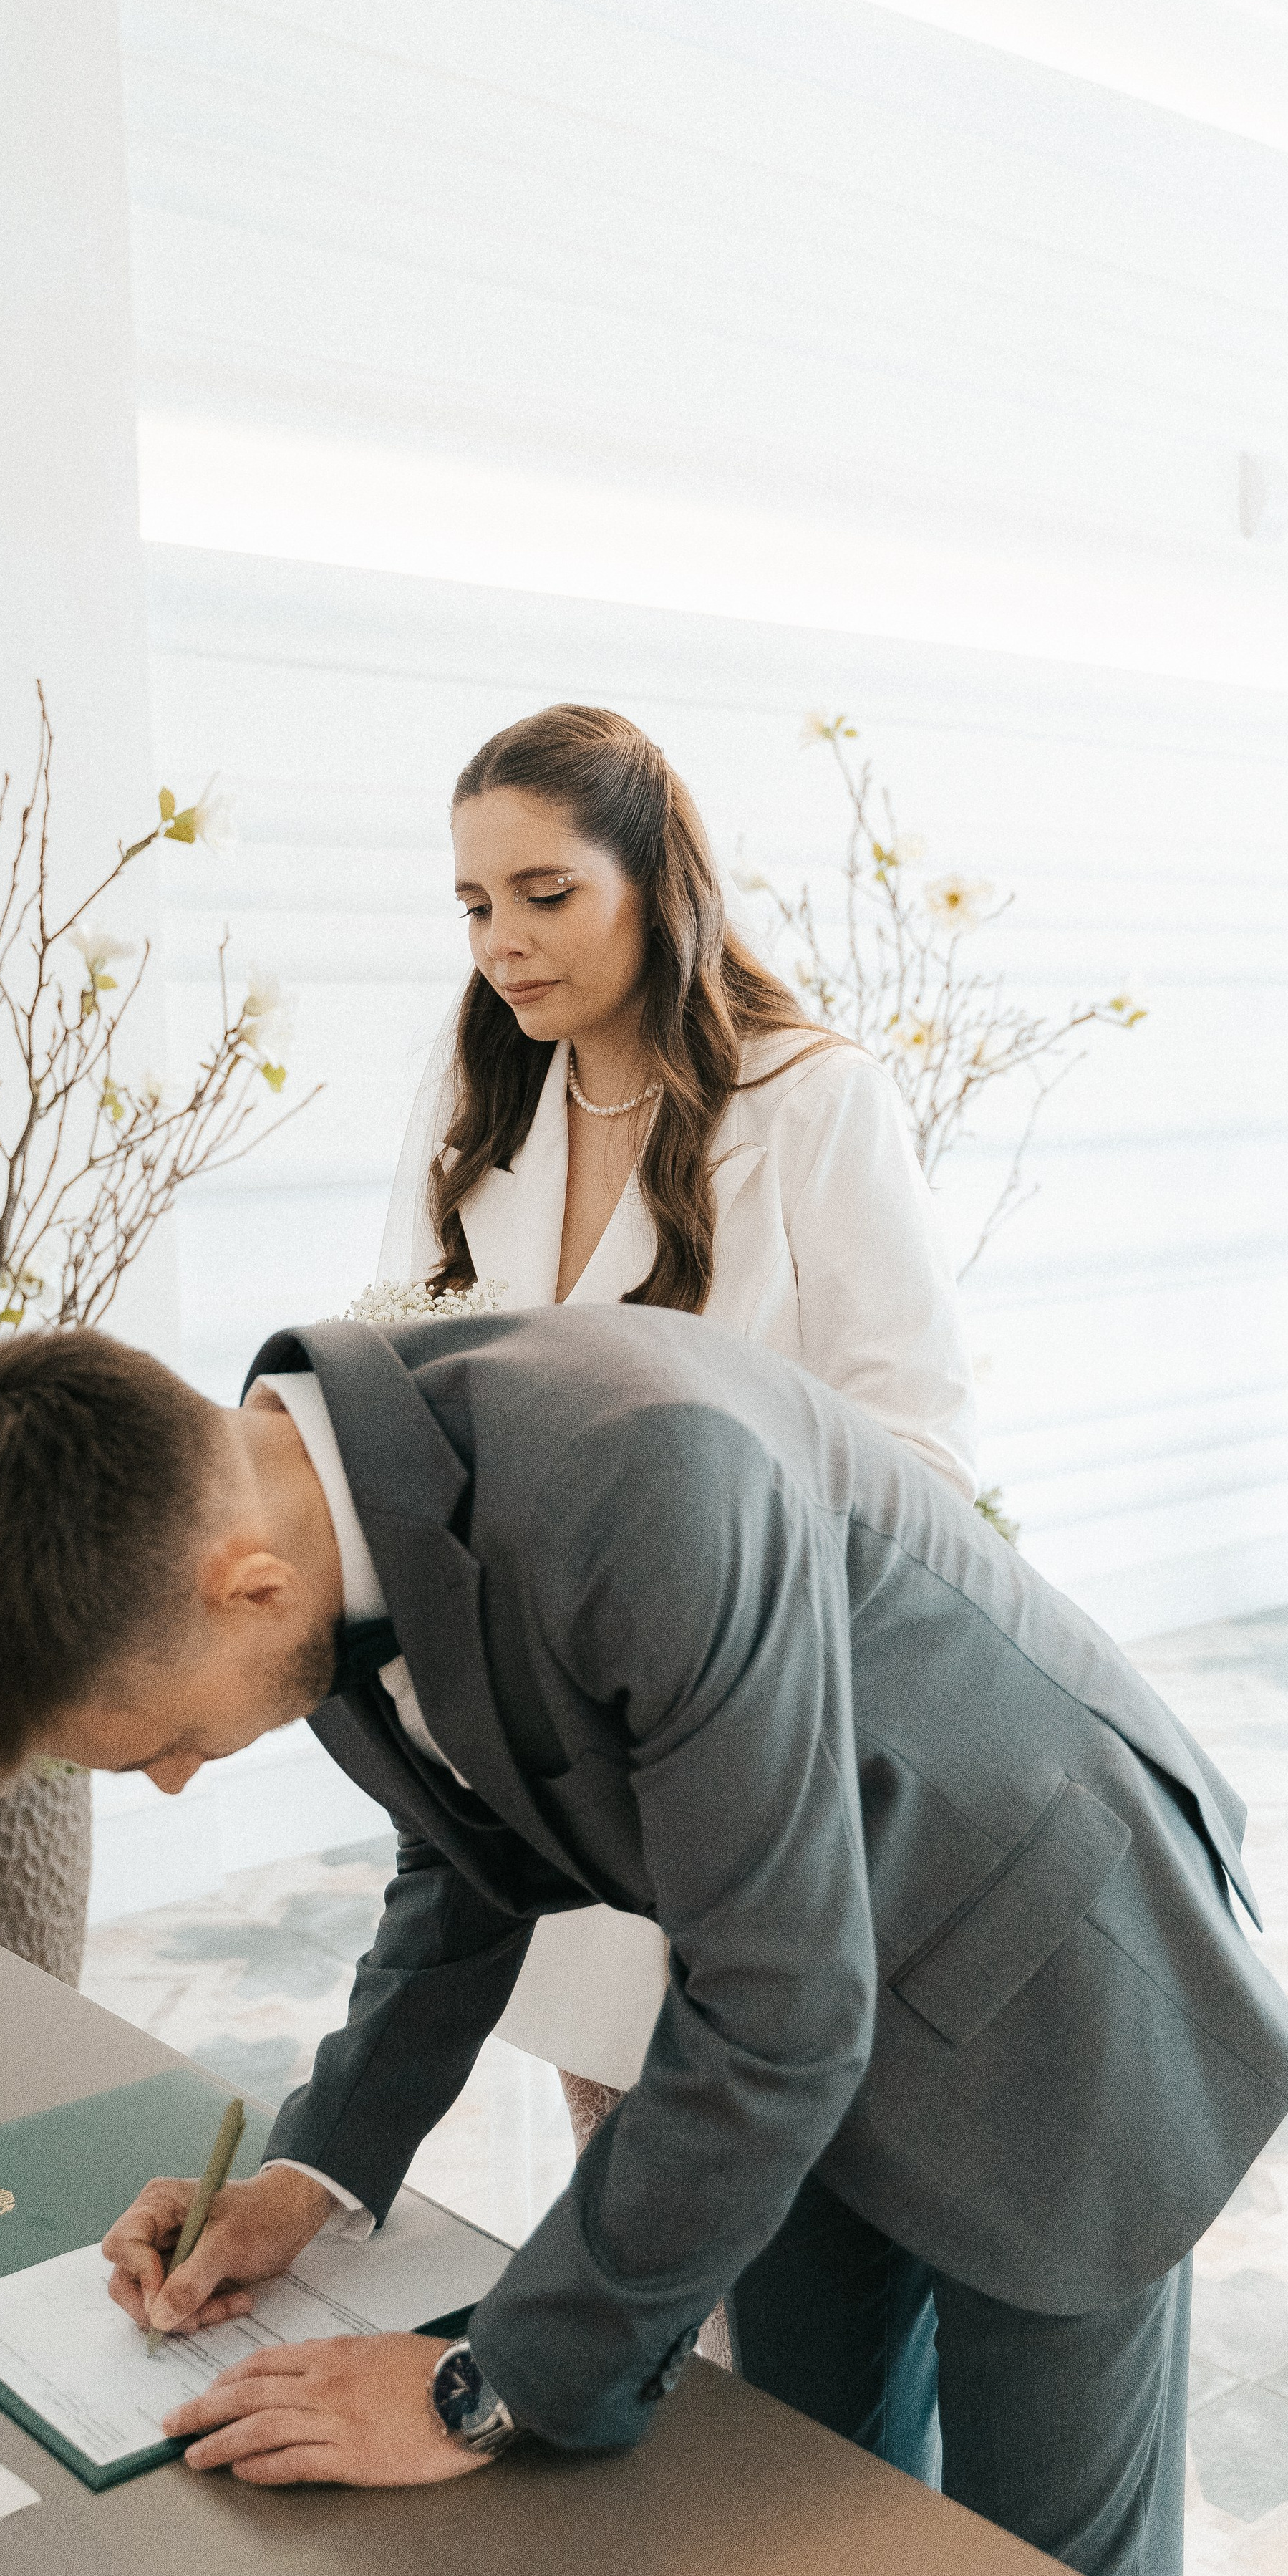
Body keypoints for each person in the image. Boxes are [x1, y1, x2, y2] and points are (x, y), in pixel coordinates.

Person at [0, 1314, 1288, 2576]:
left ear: (246, 1589)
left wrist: (475, 2388)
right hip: (799, 1996)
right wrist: (307, 2176)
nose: (178, 1779)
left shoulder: (642, 1474)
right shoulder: (307, 1513)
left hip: (1055, 1995)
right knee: (817, 2518)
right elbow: (466, 1855)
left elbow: (781, 2018)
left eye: (161, 1746)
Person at [384, 703, 979, 2202]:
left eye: (544, 893)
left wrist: (722, 1591)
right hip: (560, 1756)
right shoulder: (476, 1102)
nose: (503, 944)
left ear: (656, 881)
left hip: (765, 1743)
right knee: (626, 2189)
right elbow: (401, 1389)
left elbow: (917, 1448)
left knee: (781, 2218)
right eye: (474, 905)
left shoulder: (811, 1099)